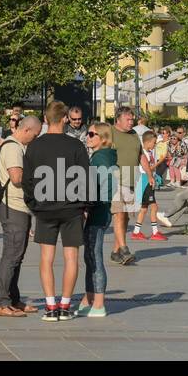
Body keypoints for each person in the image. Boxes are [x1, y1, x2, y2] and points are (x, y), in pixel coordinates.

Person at [24, 101, 91, 321]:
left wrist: (33, 204)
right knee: (71, 256)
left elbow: (27, 180)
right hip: (71, 208)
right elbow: (85, 179)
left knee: (46, 257)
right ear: (64, 119)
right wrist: (85, 206)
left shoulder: (35, 146)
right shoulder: (76, 146)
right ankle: (65, 305)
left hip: (45, 208)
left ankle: (50, 306)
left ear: (45, 119)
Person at [0, 113, 40, 317]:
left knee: (17, 256)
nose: (36, 138)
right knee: (11, 255)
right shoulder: (13, 148)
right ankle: (2, 303)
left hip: (20, 207)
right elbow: (16, 177)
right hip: (12, 207)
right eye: (35, 134)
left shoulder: (19, 147)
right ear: (26, 130)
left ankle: (13, 299)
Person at [80, 122, 118, 318]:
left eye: (92, 134)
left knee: (94, 256)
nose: (88, 136)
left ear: (103, 138)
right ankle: (89, 298)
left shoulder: (100, 158)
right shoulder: (104, 156)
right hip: (102, 210)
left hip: (99, 211)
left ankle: (99, 303)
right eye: (88, 133)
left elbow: (99, 185)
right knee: (90, 256)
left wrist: (88, 205)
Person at [109, 105, 140, 265]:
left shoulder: (134, 134)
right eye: (128, 119)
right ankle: (124, 248)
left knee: (126, 216)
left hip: (132, 179)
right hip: (116, 179)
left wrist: (148, 175)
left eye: (132, 119)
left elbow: (140, 155)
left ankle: (116, 251)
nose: (131, 122)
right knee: (119, 214)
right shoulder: (110, 133)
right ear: (118, 119)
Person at [131, 129, 167, 241]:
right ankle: (155, 232)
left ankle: (136, 231)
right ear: (147, 142)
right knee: (154, 206)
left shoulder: (150, 152)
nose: (155, 144)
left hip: (148, 180)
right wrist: (160, 162)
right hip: (145, 180)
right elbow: (147, 169)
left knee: (144, 208)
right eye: (153, 142)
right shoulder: (143, 153)